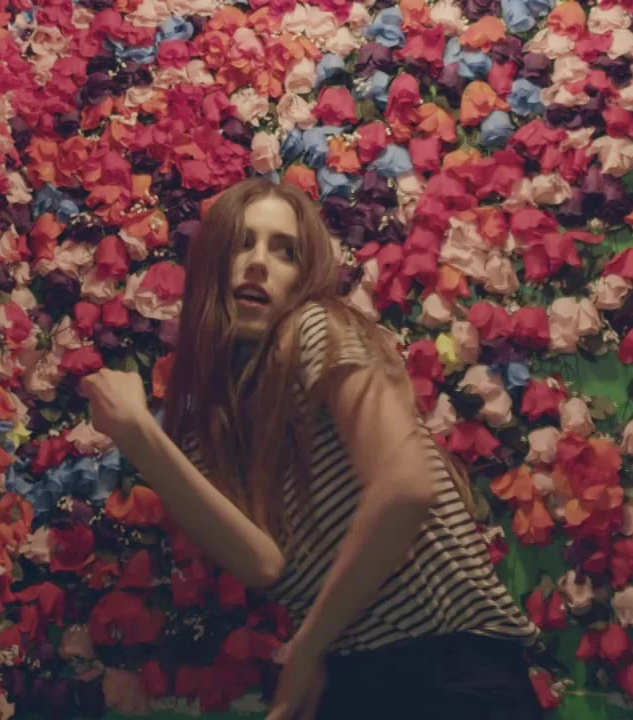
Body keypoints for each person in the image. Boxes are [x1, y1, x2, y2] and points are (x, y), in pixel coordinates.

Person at [79, 178, 543, 720]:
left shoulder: (313, 327)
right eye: (241, 243)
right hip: (351, 672)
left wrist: (307, 647)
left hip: (449, 667)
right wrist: (138, 434)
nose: (258, 263)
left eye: (285, 251)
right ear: (210, 265)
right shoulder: (212, 426)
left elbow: (406, 490)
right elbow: (262, 562)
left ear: (304, 276)